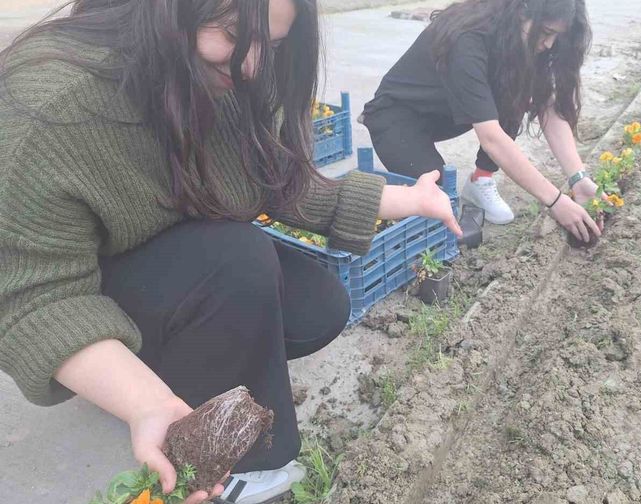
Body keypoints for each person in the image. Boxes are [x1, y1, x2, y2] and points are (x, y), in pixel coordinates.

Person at [0, 1, 460, 503]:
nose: (252, 66)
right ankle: (249, 466)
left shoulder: (223, 78)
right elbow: (33, 298)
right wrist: (143, 402)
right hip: (93, 283)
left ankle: (172, 367)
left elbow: (271, 179)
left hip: (173, 257)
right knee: (237, 257)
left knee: (316, 307)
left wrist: (406, 199)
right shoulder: (55, 109)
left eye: (275, 45)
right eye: (236, 33)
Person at [362, 0, 603, 242]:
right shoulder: (468, 38)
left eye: (556, 36)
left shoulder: (521, 39)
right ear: (521, 11)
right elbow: (492, 139)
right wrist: (556, 201)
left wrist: (578, 179)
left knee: (516, 90)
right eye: (546, 32)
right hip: (396, 118)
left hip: (444, 112)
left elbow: (548, 108)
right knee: (440, 204)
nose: (549, 43)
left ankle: (480, 179)